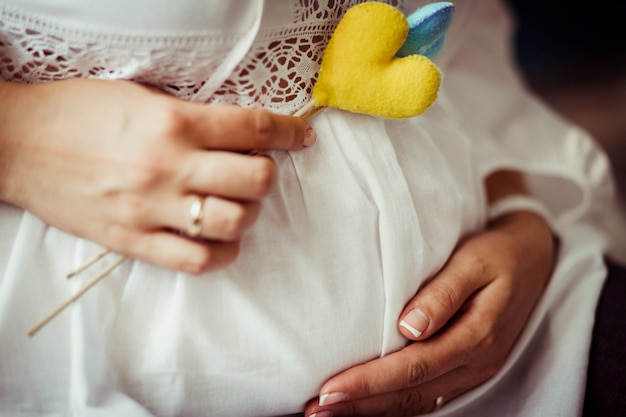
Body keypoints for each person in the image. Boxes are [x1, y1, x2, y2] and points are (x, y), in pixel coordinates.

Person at [0, 1, 616, 417]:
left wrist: (519, 207)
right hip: (94, 372)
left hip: (524, 341)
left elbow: (458, 27)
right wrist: (15, 137)